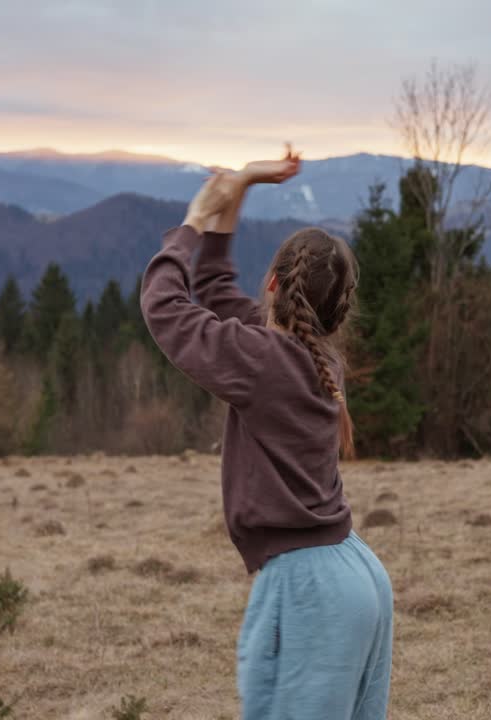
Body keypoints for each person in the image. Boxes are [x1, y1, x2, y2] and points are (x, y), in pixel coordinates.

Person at [139, 147, 393, 719]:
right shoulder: (315, 355)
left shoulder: (267, 360)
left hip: (310, 589)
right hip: (357, 575)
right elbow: (218, 285)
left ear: (274, 283)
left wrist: (193, 221)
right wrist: (245, 183)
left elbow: (166, 308)